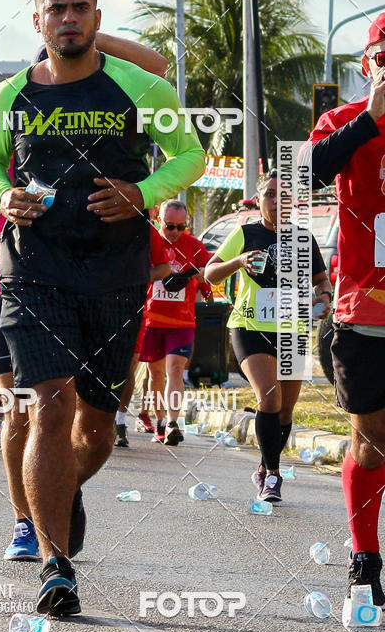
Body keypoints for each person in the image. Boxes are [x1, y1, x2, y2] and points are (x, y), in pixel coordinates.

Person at [0, 0, 205, 616]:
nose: (68, 18)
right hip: (32, 271)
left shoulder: (140, 86)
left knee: (97, 428)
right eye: (56, 8)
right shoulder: (10, 95)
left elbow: (190, 155)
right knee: (49, 405)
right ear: (37, 20)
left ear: (97, 17)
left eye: (79, 7)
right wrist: (1, 194)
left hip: (114, 276)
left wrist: (143, 192)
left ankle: (62, 488)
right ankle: (55, 563)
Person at [0, 29, 168, 561]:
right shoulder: (10, 113)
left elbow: (157, 67)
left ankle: (59, 491)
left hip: (101, 275)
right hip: (16, 278)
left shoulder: (109, 104)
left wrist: (82, 32)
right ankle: (27, 524)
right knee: (29, 406)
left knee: (95, 420)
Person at [303, 10, 385, 605]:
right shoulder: (343, 121)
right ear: (367, 66)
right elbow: (301, 177)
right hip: (366, 311)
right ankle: (364, 558)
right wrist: (369, 121)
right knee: (371, 440)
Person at [205, 171, 331, 503]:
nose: (277, 202)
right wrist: (238, 261)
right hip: (250, 327)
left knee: (285, 411)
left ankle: (263, 467)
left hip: (292, 330)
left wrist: (324, 295)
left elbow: (321, 279)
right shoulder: (245, 233)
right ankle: (274, 476)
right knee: (270, 398)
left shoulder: (304, 239)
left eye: (284, 196)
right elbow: (210, 272)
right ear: (259, 199)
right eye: (270, 195)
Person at [139, 199, 213, 445]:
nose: (175, 232)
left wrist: (197, 279)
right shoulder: (148, 242)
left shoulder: (193, 245)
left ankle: (172, 423)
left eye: (181, 227)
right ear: (159, 219)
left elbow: (209, 271)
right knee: (156, 374)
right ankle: (160, 422)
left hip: (182, 322)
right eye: (170, 226)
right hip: (152, 320)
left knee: (175, 369)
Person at [114, 225, 171, 448]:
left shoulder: (143, 227)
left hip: (132, 307)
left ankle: (119, 422)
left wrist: (135, 277)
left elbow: (164, 268)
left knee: (128, 367)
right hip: (90, 302)